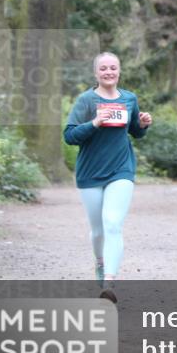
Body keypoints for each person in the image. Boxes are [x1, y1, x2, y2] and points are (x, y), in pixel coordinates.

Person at [64, 52, 152, 303]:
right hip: (90, 172)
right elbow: (69, 136)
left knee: (112, 223)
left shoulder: (129, 98)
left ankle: (110, 282)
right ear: (96, 73)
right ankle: (100, 263)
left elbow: (135, 131)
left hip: (121, 170)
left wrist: (143, 123)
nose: (109, 72)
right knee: (98, 231)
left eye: (113, 68)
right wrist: (94, 123)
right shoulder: (86, 100)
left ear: (119, 71)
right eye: (103, 69)